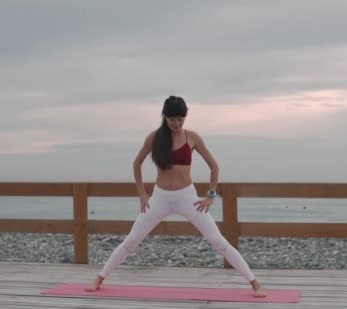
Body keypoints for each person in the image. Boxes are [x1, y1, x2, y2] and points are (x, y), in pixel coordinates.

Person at [85, 95, 266, 297]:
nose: (177, 123)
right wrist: (142, 194)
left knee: (217, 240)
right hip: (159, 198)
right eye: (172, 119)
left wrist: (211, 195)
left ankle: (255, 283)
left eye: (181, 119)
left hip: (188, 199)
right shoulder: (154, 137)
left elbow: (214, 167)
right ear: (165, 117)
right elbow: (137, 163)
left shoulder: (192, 137)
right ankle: (98, 279)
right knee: (132, 240)